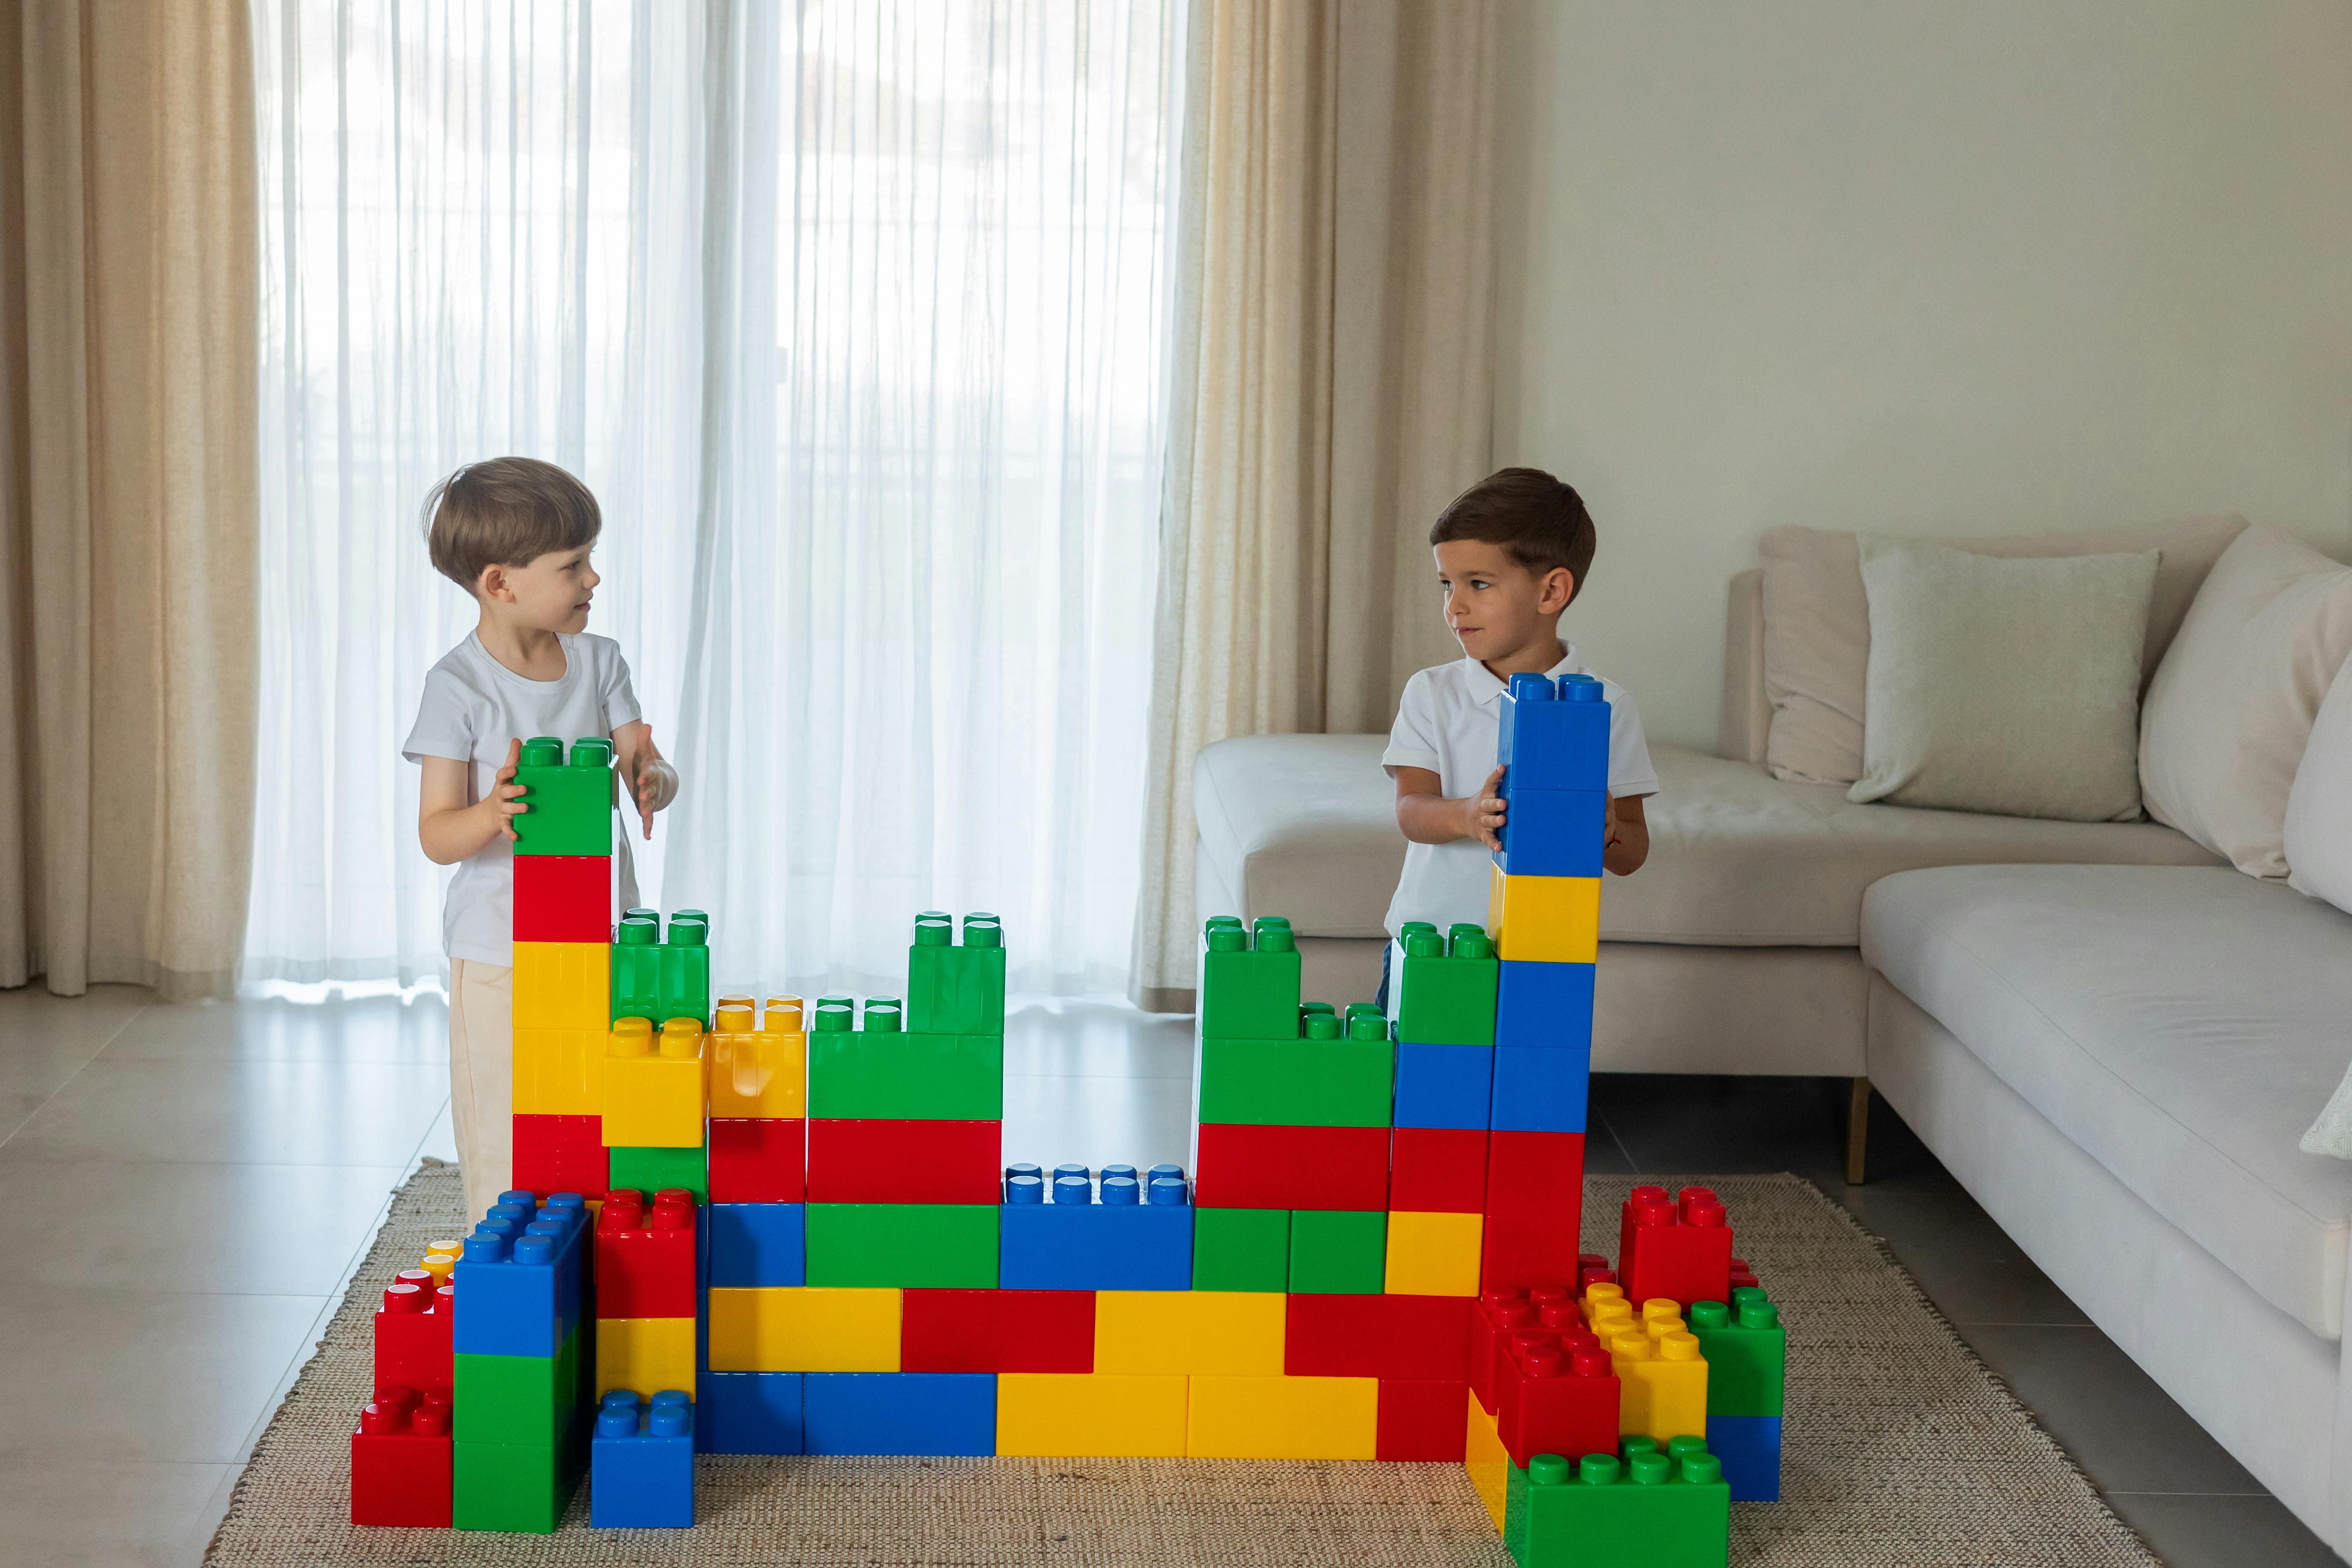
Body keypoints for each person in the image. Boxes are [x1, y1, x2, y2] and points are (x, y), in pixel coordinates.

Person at [401, 457, 677, 1220]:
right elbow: (436, 834)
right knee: (502, 1112)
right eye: (573, 565)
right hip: (499, 948)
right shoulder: (457, 687)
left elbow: (643, 758)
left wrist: (654, 780)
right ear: (501, 583)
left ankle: (585, 1237)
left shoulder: (599, 662)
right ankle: (502, 1250)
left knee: (592, 1102)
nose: (593, 578)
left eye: (591, 558)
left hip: (598, 933)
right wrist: (491, 812)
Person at [1381, 467, 1656, 1004]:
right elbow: (1411, 811)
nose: (1454, 605)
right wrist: (1467, 815)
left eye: (1478, 584)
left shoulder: (1608, 706)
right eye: (1447, 584)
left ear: (1551, 590)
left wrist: (1604, 830)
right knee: (1418, 1063)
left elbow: (1633, 850)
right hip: (1433, 946)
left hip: (1544, 952)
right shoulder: (1431, 692)